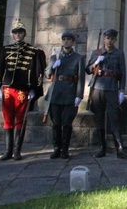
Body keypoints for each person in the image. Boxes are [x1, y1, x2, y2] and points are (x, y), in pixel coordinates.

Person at [0, 20, 46, 161]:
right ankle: (8, 151)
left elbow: (37, 72)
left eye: (20, 32)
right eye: (15, 32)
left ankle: (17, 151)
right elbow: (0, 68)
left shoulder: (34, 52)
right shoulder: (6, 50)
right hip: (8, 89)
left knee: (20, 120)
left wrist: (35, 89)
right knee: (7, 120)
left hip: (23, 90)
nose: (17, 35)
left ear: (24, 34)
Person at [85, 28, 127, 159]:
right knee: (99, 117)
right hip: (98, 87)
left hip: (111, 88)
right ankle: (102, 148)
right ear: (104, 39)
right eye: (107, 38)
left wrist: (121, 89)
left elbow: (122, 72)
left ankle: (120, 148)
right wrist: (95, 64)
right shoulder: (97, 52)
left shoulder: (119, 53)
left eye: (112, 38)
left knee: (114, 117)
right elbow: (87, 70)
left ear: (115, 40)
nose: (110, 41)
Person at [45, 30, 85, 159]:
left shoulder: (78, 58)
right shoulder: (55, 57)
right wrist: (53, 67)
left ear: (72, 42)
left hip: (70, 93)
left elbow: (81, 78)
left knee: (67, 123)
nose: (66, 41)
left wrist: (79, 95)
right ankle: (57, 148)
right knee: (56, 123)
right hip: (56, 93)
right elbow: (47, 74)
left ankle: (65, 149)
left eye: (68, 39)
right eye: (64, 39)